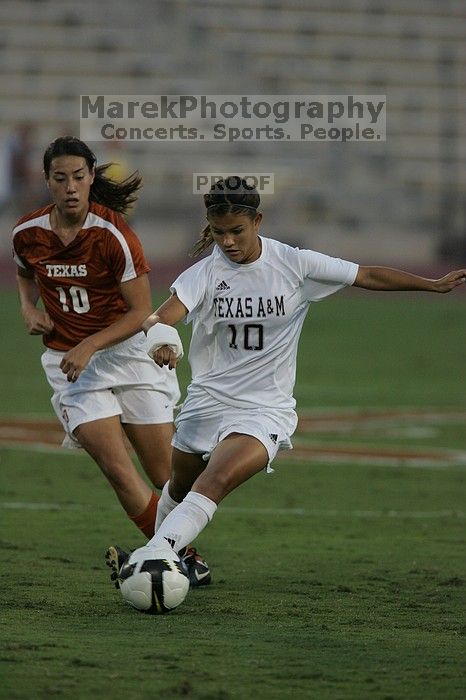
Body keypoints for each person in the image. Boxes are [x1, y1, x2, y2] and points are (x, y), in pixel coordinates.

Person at [111, 176, 466, 593]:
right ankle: (178, 559)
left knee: (215, 482)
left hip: (265, 409)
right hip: (205, 403)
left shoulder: (294, 264)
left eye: (236, 231)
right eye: (219, 232)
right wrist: (164, 342)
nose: (227, 242)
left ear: (257, 220)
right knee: (178, 487)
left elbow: (365, 275)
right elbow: (160, 317)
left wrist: (431, 285)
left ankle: (151, 558)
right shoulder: (204, 273)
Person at [11, 136, 210, 585]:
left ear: (91, 178)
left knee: (166, 474)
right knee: (117, 468)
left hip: (127, 356)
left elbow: (142, 312)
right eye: (59, 178)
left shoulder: (114, 234)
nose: (69, 187)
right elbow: (25, 271)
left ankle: (172, 543)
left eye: (79, 177)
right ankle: (185, 559)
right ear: (47, 181)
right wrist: (29, 308)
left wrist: (89, 345)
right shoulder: (28, 232)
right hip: (70, 367)